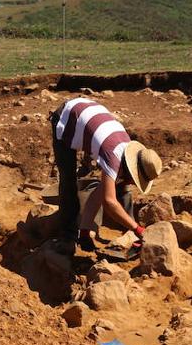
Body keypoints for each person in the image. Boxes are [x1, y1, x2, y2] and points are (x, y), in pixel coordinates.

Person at [49, 96, 163, 254]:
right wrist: (138, 229)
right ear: (132, 169)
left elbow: (99, 194)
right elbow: (109, 201)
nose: (133, 182)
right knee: (69, 182)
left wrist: (85, 230)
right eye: (135, 179)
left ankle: (124, 232)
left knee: (120, 187)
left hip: (87, 114)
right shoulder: (113, 157)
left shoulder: (128, 152)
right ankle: (68, 236)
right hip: (67, 117)